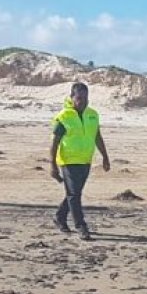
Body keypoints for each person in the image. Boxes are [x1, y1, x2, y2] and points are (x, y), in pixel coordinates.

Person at [49, 82, 110, 242]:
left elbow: (97, 136)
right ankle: (81, 227)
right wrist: (53, 166)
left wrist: (105, 156)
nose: (82, 101)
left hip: (85, 160)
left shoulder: (93, 115)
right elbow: (54, 142)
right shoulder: (64, 116)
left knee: (73, 194)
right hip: (68, 161)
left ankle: (59, 217)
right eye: (78, 98)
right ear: (71, 98)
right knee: (74, 194)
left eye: (85, 98)